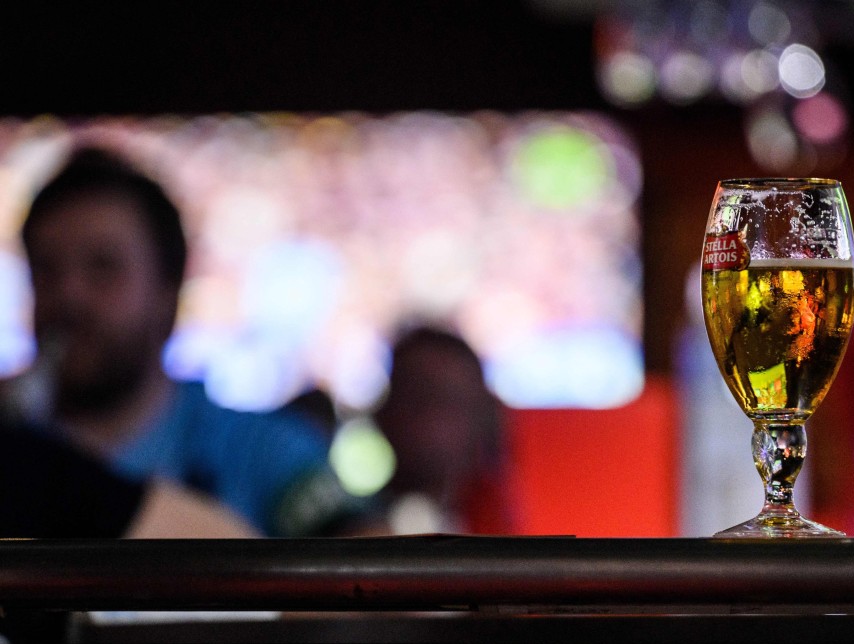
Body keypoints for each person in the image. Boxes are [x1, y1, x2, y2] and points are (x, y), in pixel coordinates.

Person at [0, 146, 362, 538]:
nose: (69, 295)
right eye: (45, 269)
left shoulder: (260, 451)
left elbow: (371, 572)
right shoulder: (11, 445)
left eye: (103, 267)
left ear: (167, 293)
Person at [371, 324, 517, 534]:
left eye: (452, 400)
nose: (432, 418)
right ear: (384, 411)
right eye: (418, 397)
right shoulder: (345, 531)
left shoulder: (501, 527)